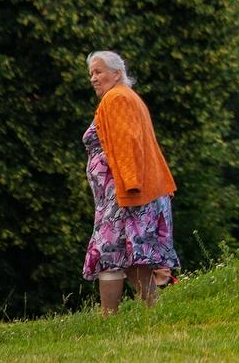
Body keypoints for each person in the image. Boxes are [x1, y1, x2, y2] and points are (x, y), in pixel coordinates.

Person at [81, 51, 179, 316]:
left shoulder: (117, 98)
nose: (93, 78)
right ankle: (154, 313)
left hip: (124, 194)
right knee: (133, 256)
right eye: (91, 73)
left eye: (99, 71)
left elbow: (128, 142)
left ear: (117, 73)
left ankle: (109, 319)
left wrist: (131, 184)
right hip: (124, 192)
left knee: (109, 253)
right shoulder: (124, 97)